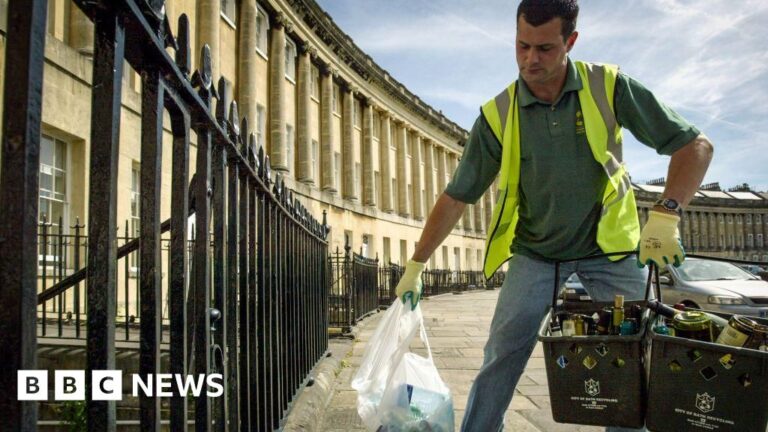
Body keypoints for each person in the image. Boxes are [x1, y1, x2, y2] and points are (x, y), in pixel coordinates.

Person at [393, 0, 714, 431]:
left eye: (544, 48)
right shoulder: (498, 114)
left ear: (571, 42)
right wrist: (417, 262)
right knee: (501, 354)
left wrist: (667, 214)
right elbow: (457, 196)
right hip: (536, 253)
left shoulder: (609, 86)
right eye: (522, 46)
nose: (530, 59)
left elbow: (695, 147)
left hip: (611, 250)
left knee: (633, 354)